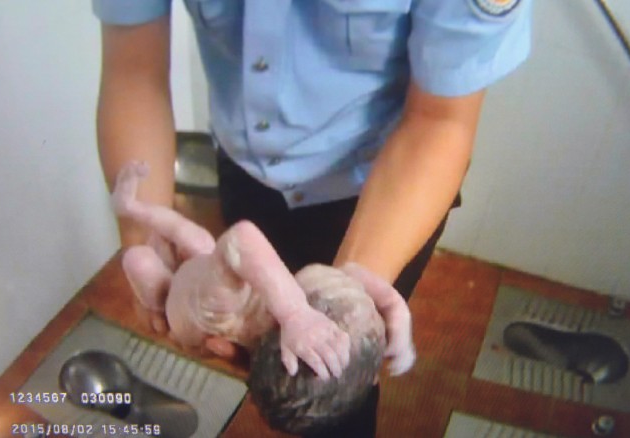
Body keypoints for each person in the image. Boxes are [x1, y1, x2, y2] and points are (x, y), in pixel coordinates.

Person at [92, 0, 532, 436]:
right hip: (246, 168)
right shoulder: (275, 316)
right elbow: (133, 70)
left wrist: (335, 305)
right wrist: (143, 236)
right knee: (317, 380)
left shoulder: (279, 311)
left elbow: (440, 122)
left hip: (379, 184)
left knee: (334, 413)